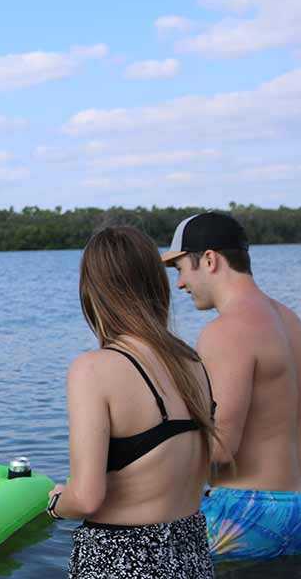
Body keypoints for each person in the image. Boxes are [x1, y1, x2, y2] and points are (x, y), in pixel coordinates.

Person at [48, 226, 216, 579]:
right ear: (157, 285)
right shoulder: (193, 363)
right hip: (191, 556)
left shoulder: (93, 369)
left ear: (93, 292)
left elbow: (87, 497)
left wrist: (53, 503)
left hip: (120, 561)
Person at [162, 212, 301, 560]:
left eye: (180, 270)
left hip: (247, 513)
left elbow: (220, 449)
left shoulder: (226, 332)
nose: (179, 284)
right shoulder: (292, 322)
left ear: (209, 260)